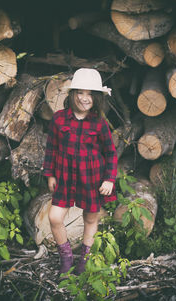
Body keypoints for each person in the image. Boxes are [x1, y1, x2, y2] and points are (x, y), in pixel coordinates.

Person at [43, 68, 118, 275]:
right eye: (80, 93)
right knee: (55, 218)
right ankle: (66, 258)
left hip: (92, 179)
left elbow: (111, 153)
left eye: (89, 94)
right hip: (65, 178)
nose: (84, 98)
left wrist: (109, 179)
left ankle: (84, 260)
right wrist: (50, 174)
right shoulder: (59, 119)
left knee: (90, 219)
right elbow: (51, 148)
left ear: (96, 98)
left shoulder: (100, 123)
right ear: (72, 94)